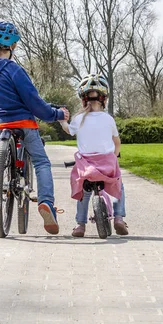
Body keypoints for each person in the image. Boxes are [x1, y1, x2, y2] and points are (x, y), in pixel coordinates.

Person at [0, 21, 69, 235]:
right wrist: (55, 114)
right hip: (25, 125)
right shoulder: (14, 70)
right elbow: (33, 102)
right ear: (13, 46)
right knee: (41, 162)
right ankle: (46, 203)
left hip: (0, 127)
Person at [59, 73, 129, 237]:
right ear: (104, 99)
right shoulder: (108, 119)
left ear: (83, 99)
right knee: (118, 185)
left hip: (87, 165)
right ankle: (119, 217)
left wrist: (62, 121)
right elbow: (117, 142)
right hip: (107, 163)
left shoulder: (79, 118)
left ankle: (80, 225)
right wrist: (115, 157)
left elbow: (68, 130)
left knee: (84, 189)